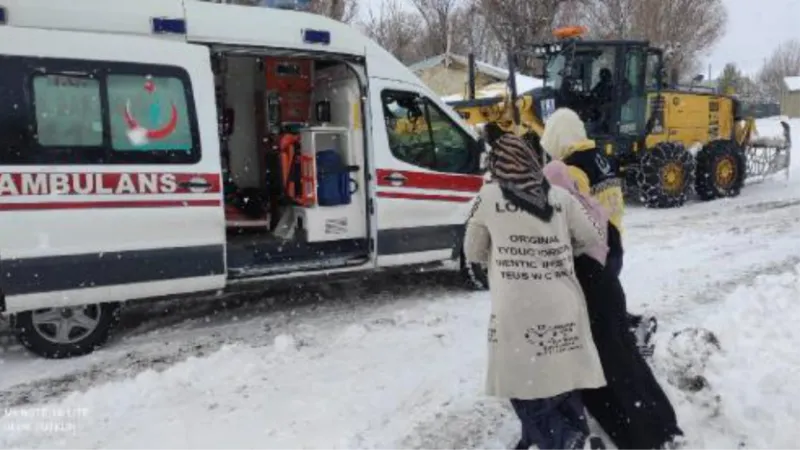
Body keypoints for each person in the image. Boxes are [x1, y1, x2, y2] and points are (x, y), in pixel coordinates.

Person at [464, 123, 608, 450]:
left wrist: (502, 251)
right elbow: (590, 238)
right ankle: (567, 439)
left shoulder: (487, 197)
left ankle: (568, 443)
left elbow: (472, 251)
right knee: (562, 380)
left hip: (518, 312)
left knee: (524, 388)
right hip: (564, 304)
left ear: (496, 166)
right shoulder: (561, 198)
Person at [543, 158, 685, 450]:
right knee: (628, 362)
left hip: (590, 297)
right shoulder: (588, 205)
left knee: (606, 373)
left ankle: (641, 437)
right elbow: (613, 247)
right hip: (608, 290)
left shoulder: (560, 216)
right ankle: (664, 424)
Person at [539, 107, 657, 356]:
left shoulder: (573, 170)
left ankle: (627, 341)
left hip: (594, 252)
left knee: (594, 313)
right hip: (613, 243)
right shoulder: (600, 158)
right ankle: (632, 330)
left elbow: (574, 215)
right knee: (605, 304)